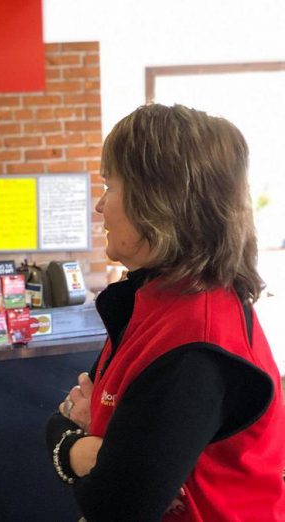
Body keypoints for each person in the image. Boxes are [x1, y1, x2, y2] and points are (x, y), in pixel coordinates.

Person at [47, 103, 285, 521]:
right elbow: (75, 421)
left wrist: (70, 445)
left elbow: (115, 503)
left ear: (158, 201)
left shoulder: (198, 340)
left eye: (111, 186)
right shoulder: (158, 301)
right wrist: (86, 444)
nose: (100, 207)